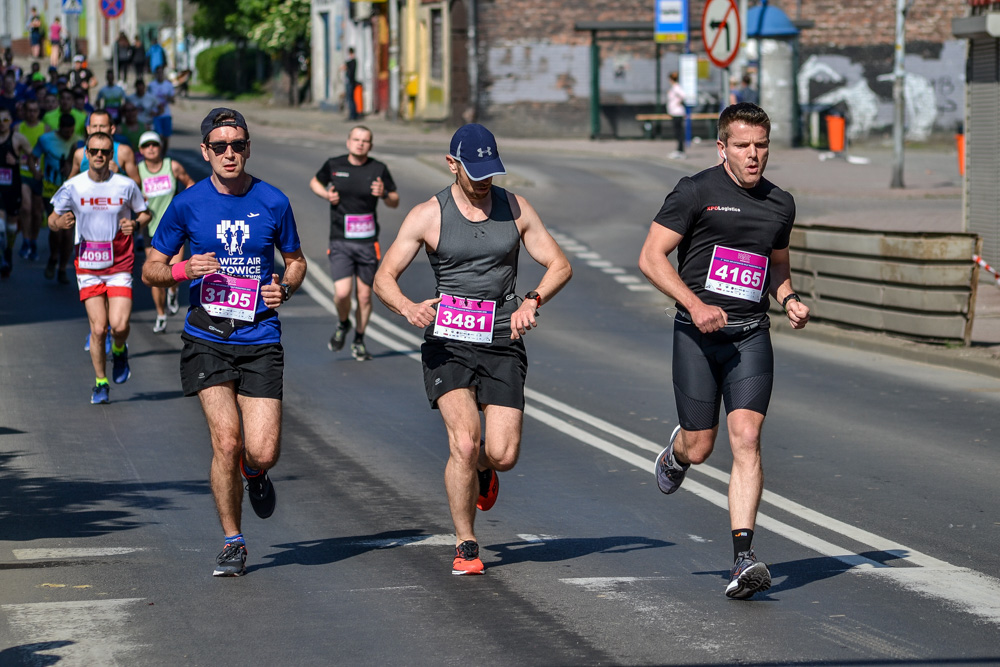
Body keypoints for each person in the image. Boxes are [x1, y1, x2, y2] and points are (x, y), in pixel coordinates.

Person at [373, 124, 572, 575]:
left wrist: (532, 300)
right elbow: (384, 277)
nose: (484, 182)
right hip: (448, 341)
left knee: (502, 454)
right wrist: (407, 307)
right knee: (464, 442)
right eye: (475, 173)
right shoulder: (428, 215)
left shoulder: (516, 208)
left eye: (491, 173)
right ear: (452, 165)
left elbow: (559, 265)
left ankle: (485, 468)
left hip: (502, 338)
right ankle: (466, 542)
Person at [637, 103, 811, 600]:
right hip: (697, 336)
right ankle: (677, 453)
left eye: (761, 145)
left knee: (748, 438)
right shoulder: (695, 192)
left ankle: (743, 558)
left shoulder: (781, 204)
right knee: (701, 446)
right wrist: (694, 305)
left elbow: (777, 264)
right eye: (742, 145)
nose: (753, 155)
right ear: (722, 148)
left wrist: (789, 298)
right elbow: (650, 257)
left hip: (750, 335)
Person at [141, 108, 307, 577]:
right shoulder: (187, 203)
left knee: (263, 451)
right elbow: (150, 268)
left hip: (260, 336)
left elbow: (296, 261)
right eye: (219, 146)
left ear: (248, 148)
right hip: (206, 336)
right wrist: (182, 269)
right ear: (205, 151)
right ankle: (233, 540)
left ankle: (255, 472)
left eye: (237, 145)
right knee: (227, 440)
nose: (229, 153)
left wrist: (285, 288)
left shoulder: (273, 201)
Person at [47, 131, 149, 403]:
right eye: (94, 151)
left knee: (120, 325)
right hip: (88, 266)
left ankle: (119, 349)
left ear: (111, 155)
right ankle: (101, 383)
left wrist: (135, 224)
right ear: (87, 154)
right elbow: (51, 220)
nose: (99, 156)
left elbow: (144, 212)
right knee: (99, 328)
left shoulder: (125, 185)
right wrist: (60, 223)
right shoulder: (73, 186)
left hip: (119, 264)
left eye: (104, 152)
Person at [309, 125, 399, 360]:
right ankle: (343, 323)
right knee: (342, 294)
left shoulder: (378, 169)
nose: (360, 144)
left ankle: (359, 339)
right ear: (348, 142)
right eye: (356, 139)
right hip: (340, 240)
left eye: (365, 141)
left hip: (368, 242)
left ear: (370, 145)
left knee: (365, 296)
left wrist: (384, 194)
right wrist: (326, 195)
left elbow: (394, 200)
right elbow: (315, 183)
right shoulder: (334, 165)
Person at [137, 130, 194, 332]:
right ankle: (161, 314)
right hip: (151, 229)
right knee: (154, 275)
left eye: (154, 144)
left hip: (174, 229)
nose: (151, 148)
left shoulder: (172, 166)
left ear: (160, 147)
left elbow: (190, 184)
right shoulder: (138, 171)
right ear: (141, 150)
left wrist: (183, 205)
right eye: (147, 145)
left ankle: (173, 292)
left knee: (175, 269)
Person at [34, 112, 79, 283]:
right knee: (56, 229)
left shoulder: (79, 141)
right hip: (50, 191)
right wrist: (36, 171)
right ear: (60, 128)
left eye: (71, 131)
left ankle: (62, 269)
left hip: (72, 192)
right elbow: (33, 157)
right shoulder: (45, 139)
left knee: (68, 233)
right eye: (66, 132)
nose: (69, 135)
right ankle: (53, 257)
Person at [0, 108, 36, 278]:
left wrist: (20, 163)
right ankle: (2, 257)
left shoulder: (18, 138)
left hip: (12, 187)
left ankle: (8, 251)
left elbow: (33, 157)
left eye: (5, 120)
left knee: (10, 227)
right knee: (0, 226)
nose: (2, 123)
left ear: (11, 121)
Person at [67, 108, 141, 186]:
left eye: (102, 126)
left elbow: (137, 185)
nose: (98, 130)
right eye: (94, 126)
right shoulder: (79, 154)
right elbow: (69, 185)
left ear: (112, 129)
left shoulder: (124, 152)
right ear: (88, 129)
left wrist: (118, 175)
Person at [16, 99, 46, 261]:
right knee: (26, 208)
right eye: (29, 110)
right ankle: (26, 240)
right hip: (23, 173)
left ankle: (33, 241)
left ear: (38, 112)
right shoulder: (18, 128)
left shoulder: (45, 129)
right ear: (24, 112)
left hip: (40, 175)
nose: (32, 113)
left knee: (36, 212)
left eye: (35, 110)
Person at [148, 66, 174, 152]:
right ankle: (158, 153)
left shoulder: (168, 85)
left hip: (166, 114)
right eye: (158, 73)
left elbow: (173, 100)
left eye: (161, 73)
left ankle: (164, 154)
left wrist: (168, 98)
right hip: (156, 114)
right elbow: (147, 98)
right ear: (155, 74)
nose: (160, 75)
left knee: (166, 138)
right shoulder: (151, 85)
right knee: (158, 136)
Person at [667, 71, 687, 160]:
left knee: (679, 132)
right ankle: (679, 150)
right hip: (675, 112)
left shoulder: (676, 87)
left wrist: (678, 102)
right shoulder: (674, 88)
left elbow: (683, 95)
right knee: (677, 132)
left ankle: (680, 151)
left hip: (677, 113)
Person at [343, 47, 358, 121]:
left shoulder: (353, 61)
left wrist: (346, 65)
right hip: (350, 82)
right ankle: (352, 114)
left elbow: (349, 68)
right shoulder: (352, 61)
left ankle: (353, 115)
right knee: (350, 98)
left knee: (350, 99)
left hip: (350, 82)